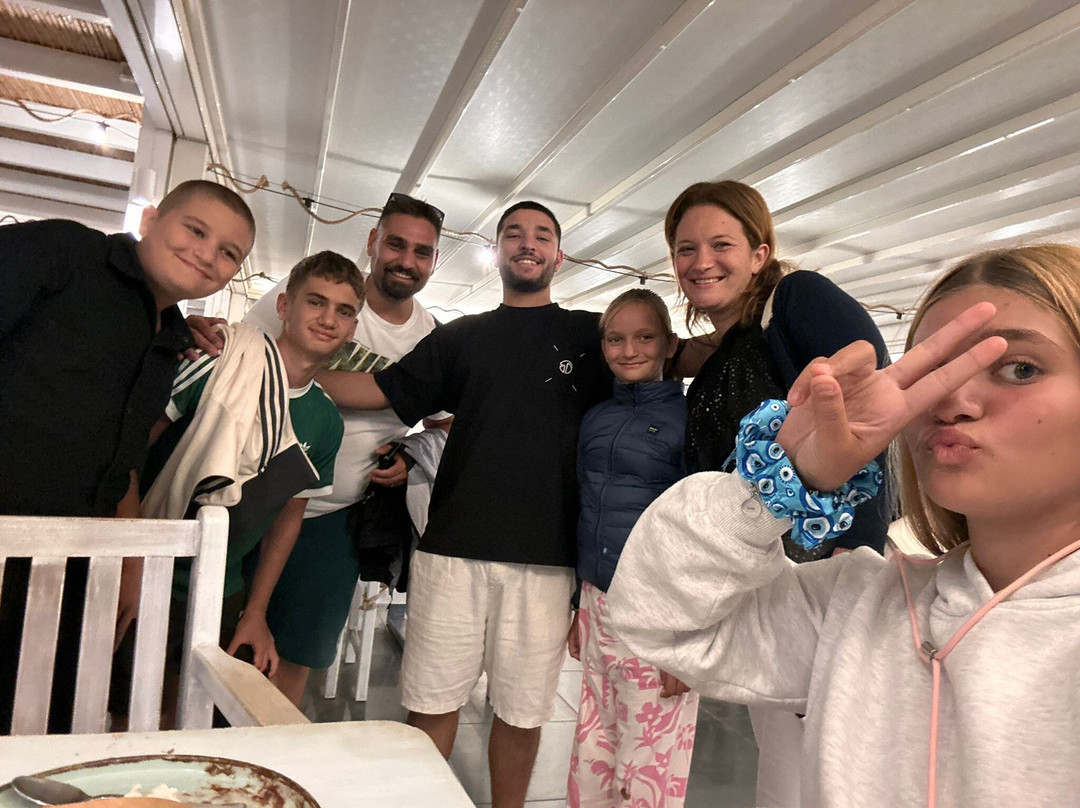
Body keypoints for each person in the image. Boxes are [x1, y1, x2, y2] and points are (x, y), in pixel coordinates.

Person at [607, 244, 1080, 807]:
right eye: (933, 372)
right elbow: (659, 619)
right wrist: (778, 481)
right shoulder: (860, 606)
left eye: (1020, 369)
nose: (952, 400)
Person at [318, 201, 611, 808]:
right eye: (514, 234)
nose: (527, 244)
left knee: (522, 713)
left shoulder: (592, 335)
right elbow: (382, 390)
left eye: (542, 236)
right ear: (496, 250)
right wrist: (286, 363)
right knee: (431, 704)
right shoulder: (459, 337)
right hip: (452, 551)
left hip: (546, 559)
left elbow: (667, 352)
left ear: (559, 255)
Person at [663, 179, 892, 804]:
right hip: (766, 577)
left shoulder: (797, 297)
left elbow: (873, 404)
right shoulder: (728, 351)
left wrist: (857, 544)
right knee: (784, 754)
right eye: (686, 249)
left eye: (721, 244)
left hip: (822, 563)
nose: (701, 262)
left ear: (760, 253)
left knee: (827, 759)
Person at [0, 179, 256, 734]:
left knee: (38, 723)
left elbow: (124, 460)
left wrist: (133, 562)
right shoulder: (65, 253)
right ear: (150, 220)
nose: (206, 254)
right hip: (10, 532)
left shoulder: (171, 342)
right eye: (195, 230)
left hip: (67, 566)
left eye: (228, 253)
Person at [190, 192, 448, 705]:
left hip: (333, 516)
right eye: (396, 244)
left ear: (434, 261)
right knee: (205, 641)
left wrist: (411, 454)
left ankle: (269, 745)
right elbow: (241, 355)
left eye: (422, 252)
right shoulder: (311, 291)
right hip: (239, 498)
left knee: (295, 654)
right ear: (372, 242)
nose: (406, 260)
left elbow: (444, 425)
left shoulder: (433, 341)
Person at [110, 251, 361, 722]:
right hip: (145, 567)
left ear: (352, 328)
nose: (328, 319)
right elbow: (128, 453)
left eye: (343, 311)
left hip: (222, 585)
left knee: (188, 715)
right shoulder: (217, 361)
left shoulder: (326, 420)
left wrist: (256, 611)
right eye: (316, 301)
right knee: (121, 712)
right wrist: (129, 563)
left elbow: (287, 518)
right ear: (284, 305)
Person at [567, 289, 699, 808]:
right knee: (594, 744)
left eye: (644, 337)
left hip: (660, 612)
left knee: (648, 764)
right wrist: (576, 606)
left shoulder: (690, 420)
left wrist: (687, 640)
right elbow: (584, 506)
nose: (629, 351)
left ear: (669, 343)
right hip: (597, 601)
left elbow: (703, 535)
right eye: (616, 339)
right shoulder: (596, 417)